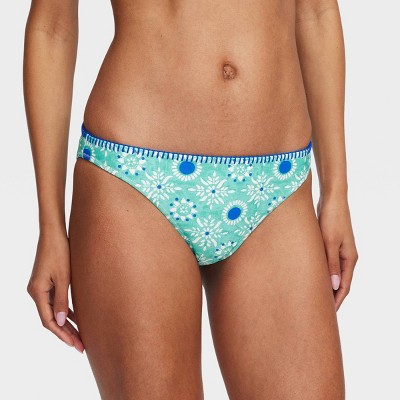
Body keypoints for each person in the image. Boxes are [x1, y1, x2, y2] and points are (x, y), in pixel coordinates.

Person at [23, 0, 358, 398]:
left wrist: (336, 191)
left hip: (276, 190)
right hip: (136, 178)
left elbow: (317, 12)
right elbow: (52, 28)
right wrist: (50, 224)